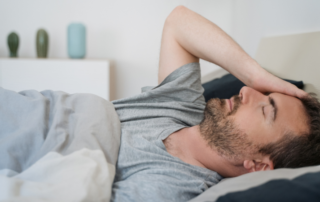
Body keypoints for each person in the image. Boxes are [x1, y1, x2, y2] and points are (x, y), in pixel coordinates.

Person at [111, 6, 320, 202]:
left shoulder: (167, 187)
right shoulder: (182, 105)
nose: (246, 90)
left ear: (259, 165)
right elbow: (178, 21)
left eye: (266, 110)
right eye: (263, 93)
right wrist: (254, 75)